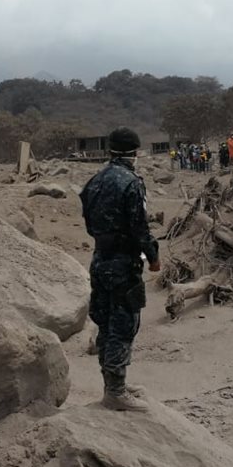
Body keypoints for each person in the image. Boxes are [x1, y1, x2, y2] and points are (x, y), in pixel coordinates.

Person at [80, 127, 160, 412]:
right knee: (123, 325)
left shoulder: (94, 181)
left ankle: (114, 385)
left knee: (104, 321)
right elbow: (139, 227)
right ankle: (115, 391)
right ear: (134, 152)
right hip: (123, 263)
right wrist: (152, 256)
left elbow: (89, 222)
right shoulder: (131, 183)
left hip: (100, 259)